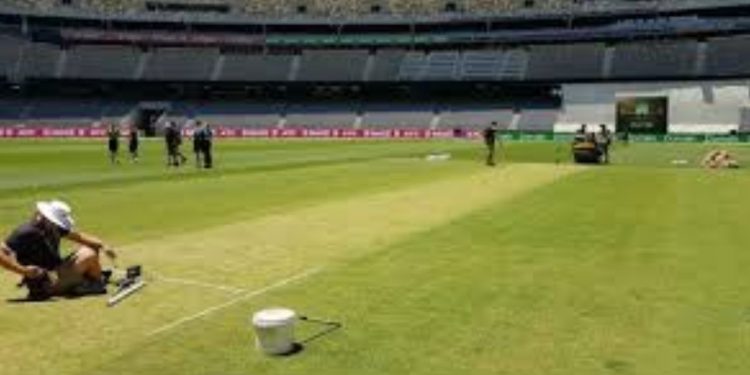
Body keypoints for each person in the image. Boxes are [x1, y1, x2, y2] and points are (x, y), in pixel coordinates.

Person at [0, 200, 117, 300]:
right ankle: (95, 284)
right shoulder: (26, 232)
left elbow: (80, 237)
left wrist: (103, 245)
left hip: (55, 273)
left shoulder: (52, 227)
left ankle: (87, 282)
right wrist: (23, 271)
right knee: (89, 253)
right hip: (45, 284)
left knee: (92, 248)